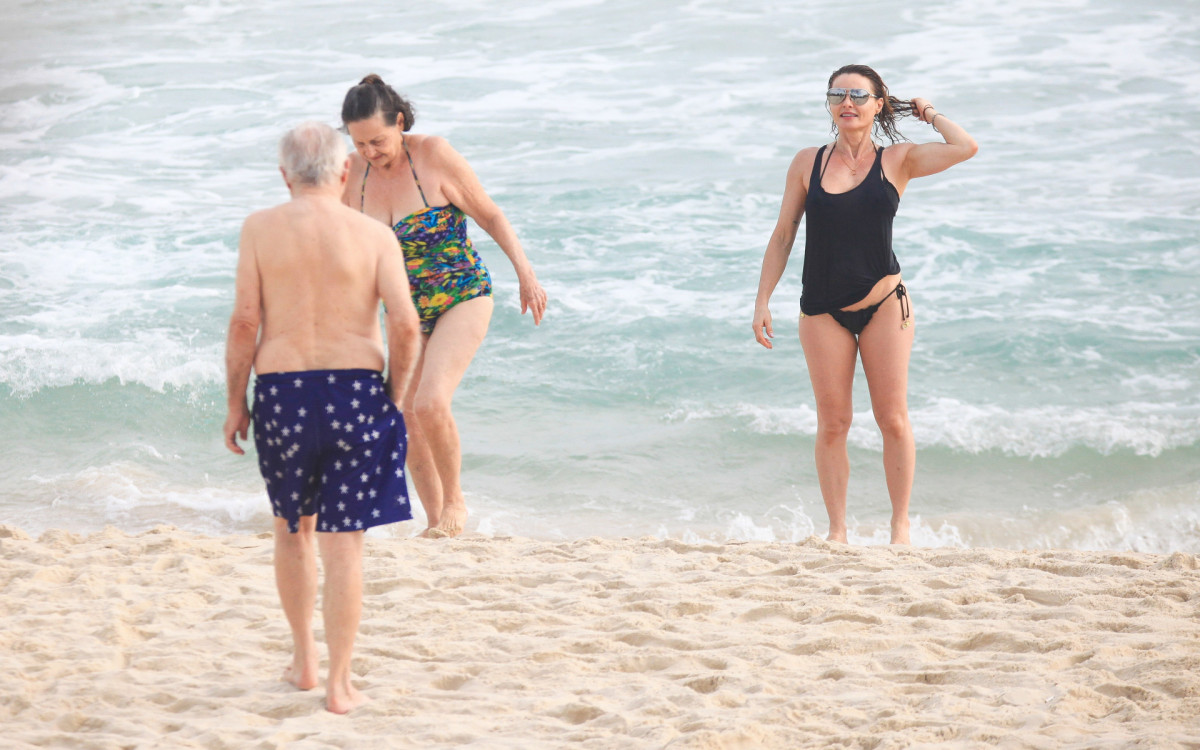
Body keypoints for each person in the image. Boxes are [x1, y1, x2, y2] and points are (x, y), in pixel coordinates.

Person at [223, 121, 421, 713]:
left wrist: (236, 402)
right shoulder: (374, 235)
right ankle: (339, 684)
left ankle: (304, 661)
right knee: (344, 546)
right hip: (356, 393)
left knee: (292, 530)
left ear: (285, 176)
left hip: (283, 394)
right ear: (345, 170)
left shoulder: (259, 228)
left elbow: (244, 323)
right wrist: (393, 396)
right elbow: (406, 325)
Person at [752, 64, 977, 545]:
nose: (847, 103)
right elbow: (785, 233)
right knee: (833, 424)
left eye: (858, 95)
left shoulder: (899, 159)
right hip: (822, 309)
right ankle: (837, 531)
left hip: (885, 304)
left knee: (892, 418)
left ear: (878, 104)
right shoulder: (807, 162)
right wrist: (762, 299)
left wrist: (928, 113)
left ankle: (900, 527)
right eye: (838, 95)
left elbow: (965, 147)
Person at [339, 74, 547, 539]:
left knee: (430, 401)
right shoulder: (353, 174)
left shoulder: (432, 155)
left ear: (399, 122)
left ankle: (456, 502)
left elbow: (489, 213)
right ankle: (437, 526)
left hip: (462, 292)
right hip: (405, 310)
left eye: (378, 140)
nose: (370, 151)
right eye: (359, 143)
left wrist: (526, 274)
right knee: (404, 414)